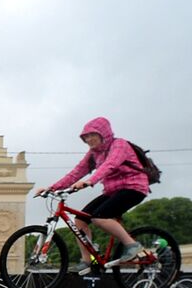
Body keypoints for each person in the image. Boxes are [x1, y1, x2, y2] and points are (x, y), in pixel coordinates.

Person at [36, 116, 150, 272]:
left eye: (92, 135)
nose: (88, 139)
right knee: (80, 220)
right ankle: (88, 260)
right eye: (85, 137)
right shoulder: (93, 154)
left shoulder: (119, 145)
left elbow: (110, 165)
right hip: (112, 191)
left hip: (133, 187)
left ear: (104, 134)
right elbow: (76, 173)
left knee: (99, 217)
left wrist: (90, 181)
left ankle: (133, 246)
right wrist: (51, 188)